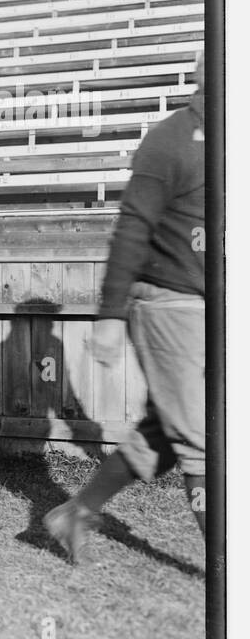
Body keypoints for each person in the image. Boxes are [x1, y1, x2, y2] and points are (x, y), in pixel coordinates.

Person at [44, 51, 207, 563]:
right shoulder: (172, 137)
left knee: (165, 432)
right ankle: (228, 571)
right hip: (170, 303)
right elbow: (132, 228)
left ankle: (75, 513)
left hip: (216, 304)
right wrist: (111, 315)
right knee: (207, 440)